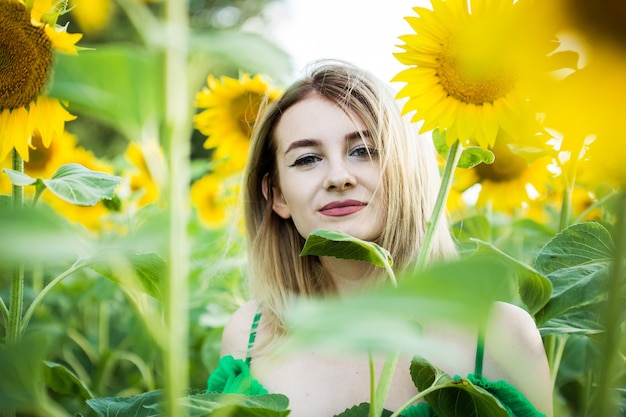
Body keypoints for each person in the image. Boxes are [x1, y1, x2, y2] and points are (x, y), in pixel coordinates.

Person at [211, 60, 553, 417]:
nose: (338, 177)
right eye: (308, 159)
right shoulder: (248, 334)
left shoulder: (500, 337)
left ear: (406, 170)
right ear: (276, 195)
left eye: (364, 151)